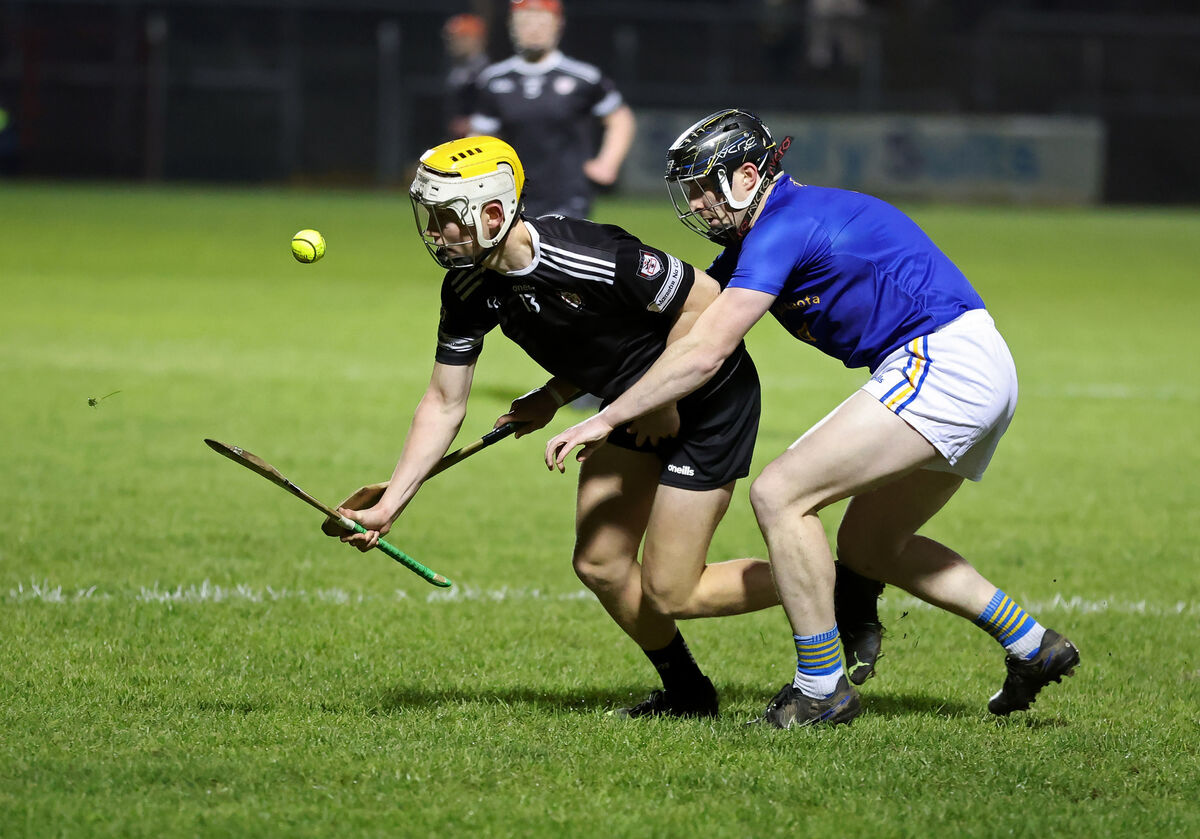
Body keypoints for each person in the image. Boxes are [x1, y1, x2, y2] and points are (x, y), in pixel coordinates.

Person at [546, 109, 1080, 728]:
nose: (696, 205)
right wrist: (556, 393)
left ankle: (821, 686)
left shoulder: (782, 225)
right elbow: (671, 328)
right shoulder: (768, 231)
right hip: (974, 365)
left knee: (780, 494)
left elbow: (707, 349)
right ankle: (1032, 646)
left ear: (748, 175)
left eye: (702, 188)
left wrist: (602, 418)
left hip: (942, 363)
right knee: (870, 546)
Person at [330, 134, 781, 719]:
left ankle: (834, 579)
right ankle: (688, 694)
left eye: (446, 219)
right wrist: (393, 501)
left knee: (673, 586)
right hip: (627, 403)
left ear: (492, 213)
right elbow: (444, 401)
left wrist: (664, 402)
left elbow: (705, 302)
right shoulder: (468, 286)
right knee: (600, 563)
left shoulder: (588, 253)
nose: (434, 233)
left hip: (708, 398)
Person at [468, 0, 635, 218]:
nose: (534, 28)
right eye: (526, 21)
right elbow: (480, 136)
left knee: (556, 250)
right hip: (511, 192)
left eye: (542, 21)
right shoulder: (494, 80)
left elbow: (620, 118)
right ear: (511, 25)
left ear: (559, 25)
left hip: (568, 194)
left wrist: (607, 163)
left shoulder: (584, 77)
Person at [442, 13, 490, 139]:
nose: (454, 42)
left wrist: (474, 122)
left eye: (461, 37)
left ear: (476, 39)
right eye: (451, 38)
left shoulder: (491, 73)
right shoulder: (456, 70)